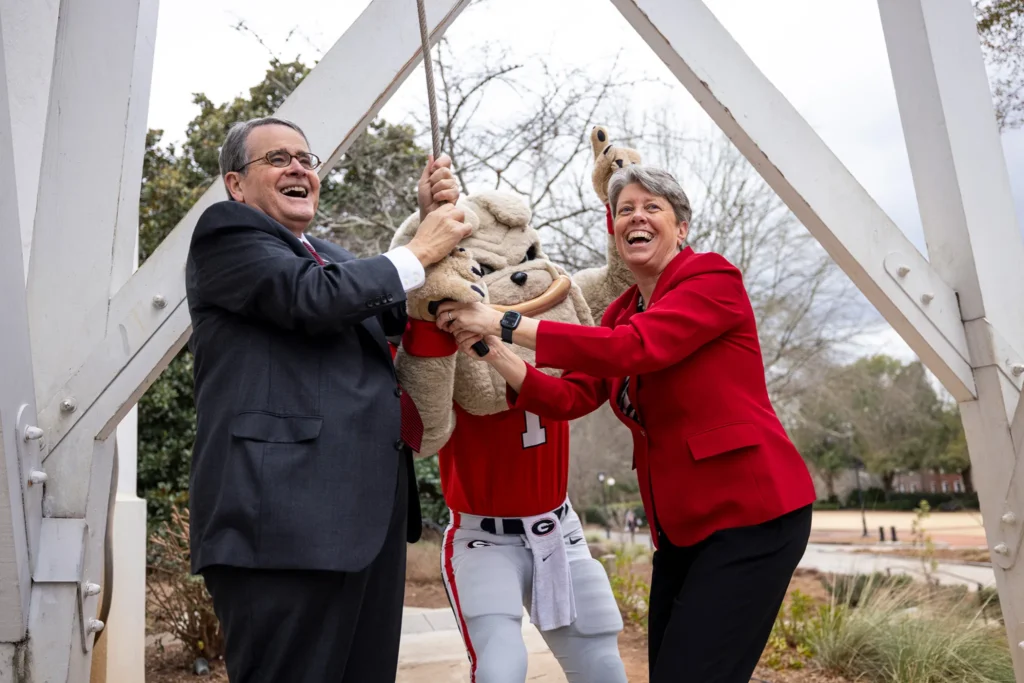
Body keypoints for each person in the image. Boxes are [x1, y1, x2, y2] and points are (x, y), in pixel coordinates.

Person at [439, 165, 817, 683]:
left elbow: (637, 349)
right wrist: (494, 352)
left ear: (681, 227)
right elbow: (571, 394)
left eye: (652, 207)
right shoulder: (622, 310)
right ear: (614, 232)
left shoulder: (711, 278)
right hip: (682, 530)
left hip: (752, 517)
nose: (636, 217)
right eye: (624, 210)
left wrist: (507, 321)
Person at [184, 115, 470, 683]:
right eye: (277, 158)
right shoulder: (226, 235)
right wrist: (419, 247)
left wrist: (425, 218)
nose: (297, 167)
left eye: (305, 159)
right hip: (280, 531)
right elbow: (315, 299)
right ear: (236, 185)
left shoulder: (329, 255)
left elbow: (390, 303)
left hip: (366, 529)